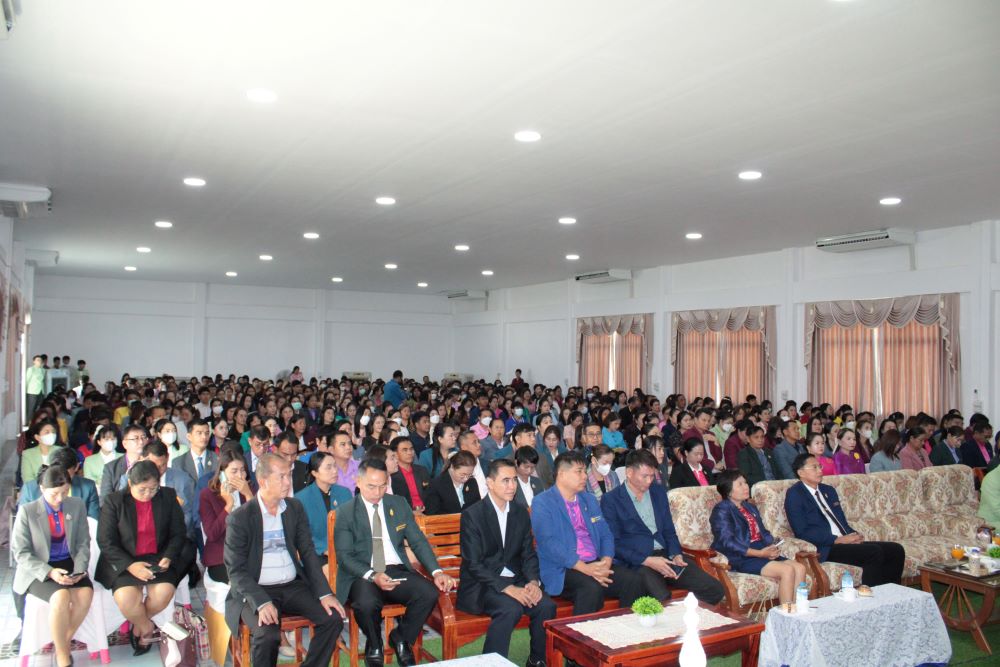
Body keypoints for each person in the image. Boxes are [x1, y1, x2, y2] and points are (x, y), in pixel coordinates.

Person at [224, 452, 346, 667]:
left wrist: (324, 593)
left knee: (333, 618)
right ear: (263, 481)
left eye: (288, 475)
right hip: (257, 589)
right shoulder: (241, 517)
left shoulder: (294, 508)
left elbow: (308, 552)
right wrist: (262, 602)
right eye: (281, 477)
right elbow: (236, 570)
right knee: (268, 635)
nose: (288, 482)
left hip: (292, 586)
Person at [333, 458, 456, 667]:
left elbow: (418, 541)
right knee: (366, 603)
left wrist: (436, 572)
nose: (377, 492)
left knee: (428, 592)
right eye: (371, 486)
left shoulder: (398, 504)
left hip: (395, 569)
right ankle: (374, 643)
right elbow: (344, 556)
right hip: (362, 573)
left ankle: (401, 638)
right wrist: (373, 575)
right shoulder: (346, 512)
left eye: (382, 486)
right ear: (358, 482)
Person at [457, 459, 555, 666]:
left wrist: (533, 582)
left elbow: (528, 553)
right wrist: (508, 588)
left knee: (546, 605)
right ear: (490, 483)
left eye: (514, 480)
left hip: (517, 580)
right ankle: (491, 664)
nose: (512, 486)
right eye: (505, 480)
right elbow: (473, 564)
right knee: (510, 608)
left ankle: (537, 661)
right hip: (483, 584)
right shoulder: (472, 515)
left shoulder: (520, 512)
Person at [602, 449, 724, 605]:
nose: (649, 481)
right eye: (644, 476)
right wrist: (646, 560)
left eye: (652, 476)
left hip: (666, 555)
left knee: (714, 589)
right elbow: (614, 543)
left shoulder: (658, 492)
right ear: (629, 473)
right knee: (663, 600)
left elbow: (668, 530)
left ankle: (687, 618)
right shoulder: (611, 500)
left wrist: (676, 554)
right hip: (638, 562)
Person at [531, 452, 645, 615]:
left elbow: (606, 534)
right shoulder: (542, 502)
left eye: (585, 471)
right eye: (579, 472)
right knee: (590, 588)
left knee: (633, 580)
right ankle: (579, 632)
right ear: (562, 474)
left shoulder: (589, 500)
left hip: (596, 562)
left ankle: (622, 626)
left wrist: (606, 562)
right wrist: (585, 569)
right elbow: (548, 543)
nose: (585, 476)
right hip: (565, 567)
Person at [96, 460, 190, 655]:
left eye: (153, 489)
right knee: (126, 599)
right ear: (130, 483)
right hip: (125, 559)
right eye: (142, 489)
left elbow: (178, 532)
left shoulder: (167, 496)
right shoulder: (114, 501)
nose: (148, 494)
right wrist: (130, 566)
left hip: (158, 557)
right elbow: (105, 540)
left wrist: (168, 556)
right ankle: (146, 628)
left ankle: (138, 627)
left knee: (163, 593)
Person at [12, 465, 94, 667]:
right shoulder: (28, 511)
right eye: (54, 494)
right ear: (42, 489)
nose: (59, 499)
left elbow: (83, 542)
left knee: (85, 594)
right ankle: (63, 655)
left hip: (69, 563)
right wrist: (49, 572)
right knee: (61, 596)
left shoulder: (76, 505)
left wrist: (80, 569)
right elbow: (21, 552)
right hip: (39, 567)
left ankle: (61, 643)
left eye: (64, 492)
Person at [785, 454, 905, 586]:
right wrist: (837, 540)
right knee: (874, 552)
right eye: (814, 467)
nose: (820, 471)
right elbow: (802, 532)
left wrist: (853, 535)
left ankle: (890, 593)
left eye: (820, 466)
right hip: (827, 547)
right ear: (801, 473)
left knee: (896, 550)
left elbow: (840, 521)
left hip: (845, 541)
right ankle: (870, 595)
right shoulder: (795, 494)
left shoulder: (828, 490)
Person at [710, 470, 807, 604]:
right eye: (740, 484)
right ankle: (788, 612)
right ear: (729, 491)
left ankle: (799, 609)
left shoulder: (749, 507)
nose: (746, 486)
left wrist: (772, 547)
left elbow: (763, 532)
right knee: (787, 570)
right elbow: (727, 542)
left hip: (761, 550)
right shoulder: (722, 509)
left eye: (745, 483)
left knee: (800, 568)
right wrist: (760, 553)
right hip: (741, 556)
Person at [199, 448, 253, 584]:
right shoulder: (208, 495)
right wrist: (229, 505)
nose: (240, 476)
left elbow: (260, 525)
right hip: (221, 557)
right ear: (222, 473)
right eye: (234, 471)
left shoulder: (249, 491)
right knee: (243, 580)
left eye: (242, 470)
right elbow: (212, 534)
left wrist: (248, 496)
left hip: (249, 553)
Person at [295, 451, 352, 557]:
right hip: (315, 552)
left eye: (335, 466)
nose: (334, 471)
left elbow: (351, 525)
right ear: (315, 473)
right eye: (328, 467)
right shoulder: (301, 498)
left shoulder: (344, 493)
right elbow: (303, 533)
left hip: (344, 551)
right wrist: (325, 549)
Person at [19, 445, 100, 520]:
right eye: (57, 473)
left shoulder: (88, 487)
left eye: (66, 475)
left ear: (76, 467)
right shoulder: (30, 489)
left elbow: (93, 521)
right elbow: (23, 521)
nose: (61, 478)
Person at [99, 423, 149, 499]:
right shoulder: (111, 468)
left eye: (143, 437)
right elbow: (105, 499)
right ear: (125, 444)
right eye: (135, 438)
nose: (141, 442)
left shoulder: (153, 463)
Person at [424, 450, 481, 515]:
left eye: (469, 475)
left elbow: (478, 508)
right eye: (462, 474)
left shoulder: (472, 482)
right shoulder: (436, 485)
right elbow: (432, 513)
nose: (466, 478)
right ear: (452, 467)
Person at [389, 436, 431, 512]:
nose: (409, 453)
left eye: (411, 449)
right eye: (405, 450)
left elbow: (430, 494)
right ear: (395, 454)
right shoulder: (392, 474)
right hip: (405, 513)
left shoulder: (422, 470)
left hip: (427, 512)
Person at [172, 418, 219, 485]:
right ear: (189, 436)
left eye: (207, 433)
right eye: (199, 433)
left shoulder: (217, 459)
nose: (204, 437)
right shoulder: (178, 463)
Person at [21, 419, 67, 485]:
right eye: (47, 432)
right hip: (34, 489)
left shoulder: (61, 451)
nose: (51, 434)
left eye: (53, 432)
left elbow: (63, 475)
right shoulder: (27, 454)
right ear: (37, 437)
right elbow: (27, 478)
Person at [83, 423, 122, 489]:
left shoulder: (123, 457)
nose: (110, 442)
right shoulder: (89, 461)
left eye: (113, 439)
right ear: (99, 442)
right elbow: (88, 483)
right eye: (106, 439)